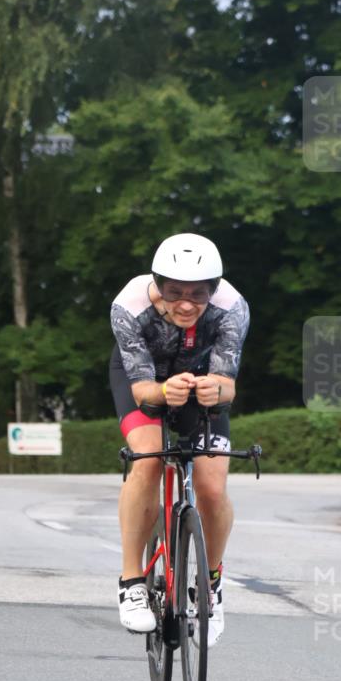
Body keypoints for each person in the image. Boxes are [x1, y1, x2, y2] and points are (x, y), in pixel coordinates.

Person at [110, 232, 250, 647]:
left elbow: (228, 385)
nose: (187, 304)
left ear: (215, 290)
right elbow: (141, 392)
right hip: (143, 379)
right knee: (148, 459)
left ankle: (210, 584)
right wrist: (162, 390)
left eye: (198, 294)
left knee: (211, 486)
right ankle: (132, 580)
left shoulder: (232, 308)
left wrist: (217, 390)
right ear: (158, 284)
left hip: (201, 381)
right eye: (175, 293)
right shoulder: (128, 306)